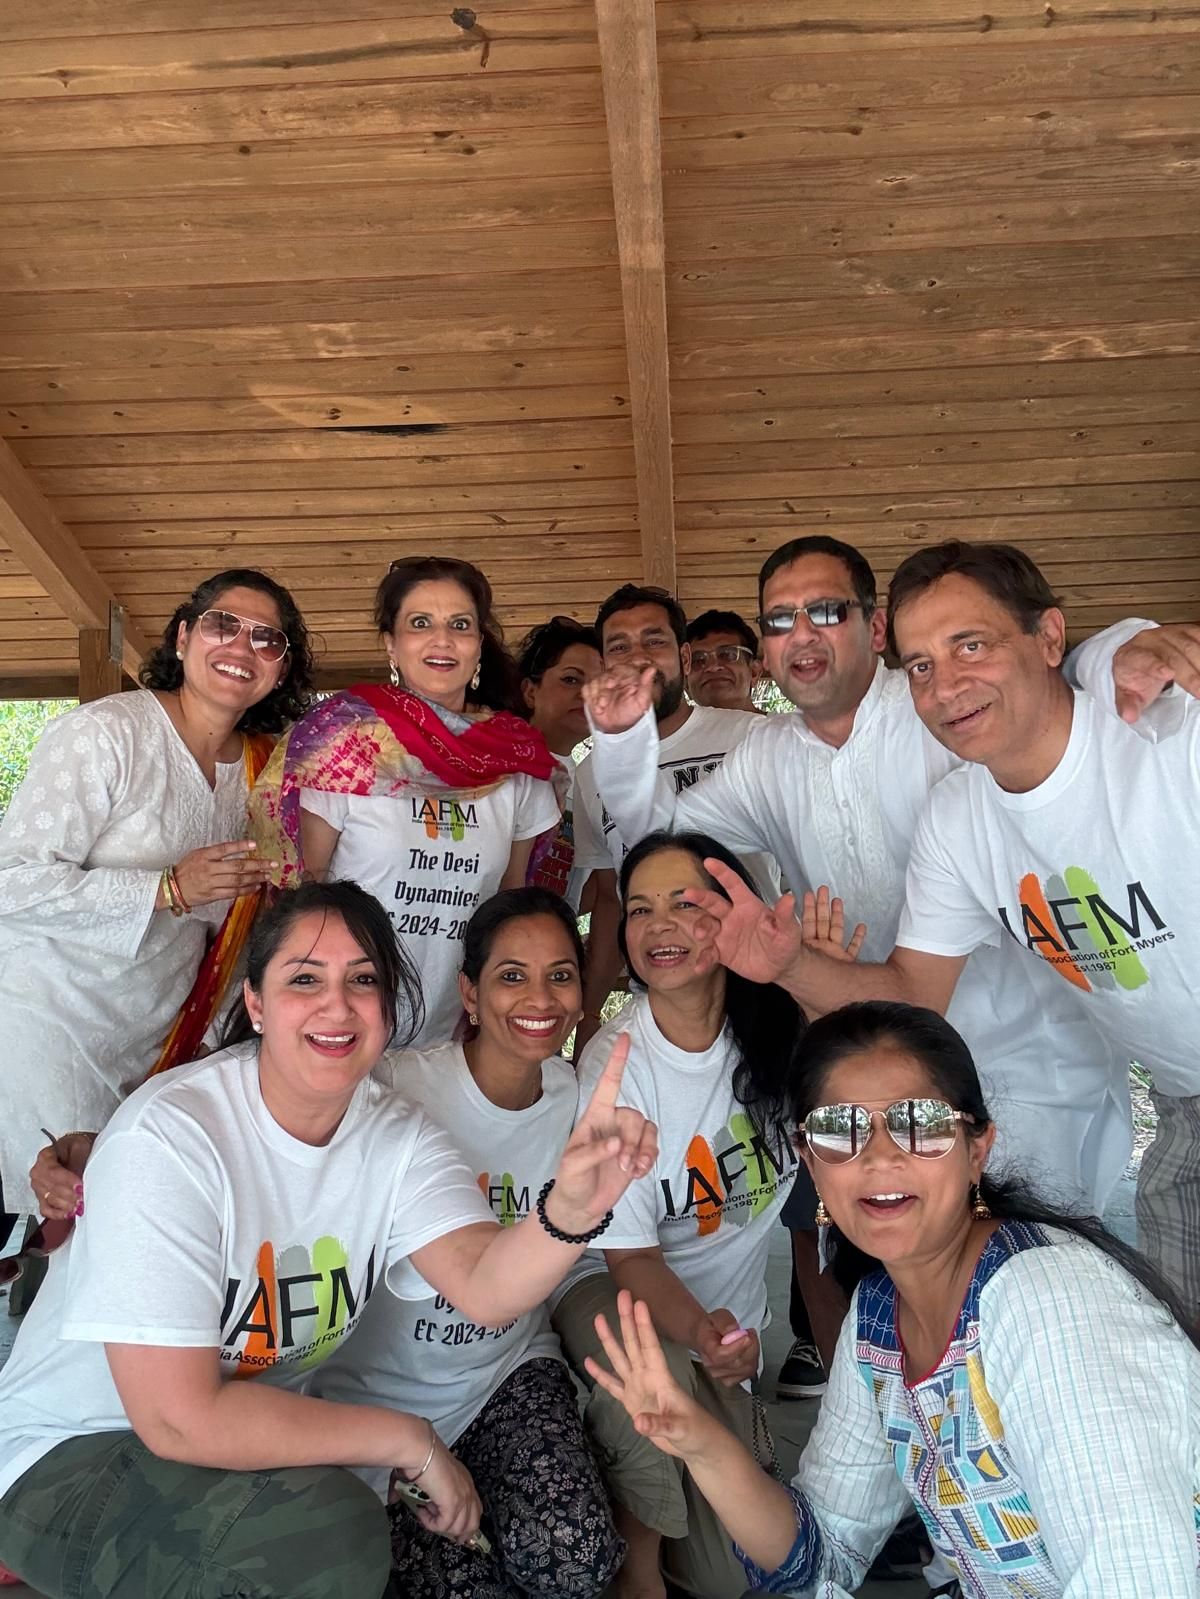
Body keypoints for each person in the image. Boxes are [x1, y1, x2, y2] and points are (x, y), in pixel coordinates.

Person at [0, 880, 656, 1599]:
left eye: (363, 980)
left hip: (230, 1452)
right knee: (333, 1537)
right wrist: (407, 1438)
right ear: (254, 1003)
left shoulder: (394, 1135)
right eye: (304, 979)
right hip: (73, 1452)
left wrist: (568, 1210)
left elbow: (484, 1283)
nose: (337, 1005)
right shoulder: (176, 1137)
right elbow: (178, 1418)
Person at [581, 537, 1150, 1231]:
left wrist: (1124, 641)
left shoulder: (942, 708)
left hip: (1031, 1061)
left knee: (1033, 1267)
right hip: (881, 1065)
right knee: (910, 1279)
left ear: (875, 628)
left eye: (826, 610)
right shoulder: (768, 755)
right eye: (781, 619)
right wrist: (617, 744)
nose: (803, 634)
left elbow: (1050, 686)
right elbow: (656, 841)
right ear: (765, 648)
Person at [706, 541, 1200, 1309]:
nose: (947, 685)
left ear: (1049, 639)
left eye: (971, 644)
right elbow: (913, 989)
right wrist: (787, 964)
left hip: (1054, 1084)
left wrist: (1112, 647)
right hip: (1178, 1101)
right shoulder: (960, 818)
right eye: (925, 665)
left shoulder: (1167, 737)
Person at [586, 1002, 1200, 1598]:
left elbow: (1142, 1575)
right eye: (837, 1129)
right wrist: (701, 1440)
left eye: (922, 1124)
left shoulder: (1053, 1306)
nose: (879, 1155)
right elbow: (822, 1552)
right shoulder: (878, 1320)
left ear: (976, 1149)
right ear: (810, 1163)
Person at [314, 886, 623, 1598]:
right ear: (471, 993)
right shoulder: (394, 1086)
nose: (538, 996)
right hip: (376, 1401)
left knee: (573, 1558)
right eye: (511, 974)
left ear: (581, 995)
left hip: (506, 1375)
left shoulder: (577, 1102)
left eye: (561, 974)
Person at [0, 566, 314, 1217]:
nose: (241, 647)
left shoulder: (264, 771)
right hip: (50, 1026)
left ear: (280, 670)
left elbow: (247, 923)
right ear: (181, 638)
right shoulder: (106, 735)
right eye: (223, 625)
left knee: (122, 1222)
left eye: (266, 639)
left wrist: (208, 1042)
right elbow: (13, 880)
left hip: (161, 1040)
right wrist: (166, 887)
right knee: (58, 1214)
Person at [557, 831, 800, 1599]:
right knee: (649, 1405)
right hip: (618, 1289)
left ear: (729, 914)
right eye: (639, 909)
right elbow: (631, 1260)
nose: (658, 925)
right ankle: (636, 1562)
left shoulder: (779, 1029)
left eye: (684, 904)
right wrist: (701, 1333)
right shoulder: (619, 1066)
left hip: (719, 1328)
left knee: (731, 1574)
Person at [249, 556, 561, 1046]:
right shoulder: (346, 745)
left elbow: (510, 910)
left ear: (480, 645)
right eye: (420, 624)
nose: (443, 640)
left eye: (460, 625)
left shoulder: (516, 761)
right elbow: (302, 895)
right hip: (341, 1026)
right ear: (392, 644)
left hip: (457, 1033)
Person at [572, 584, 781, 1059]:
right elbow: (610, 900)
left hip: (758, 990)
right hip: (662, 1002)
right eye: (619, 647)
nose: (637, 657)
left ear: (684, 658)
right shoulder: (591, 773)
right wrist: (589, 1015)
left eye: (654, 640)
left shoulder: (753, 736)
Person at [517, 615, 604, 905]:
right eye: (571, 679)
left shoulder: (590, 781)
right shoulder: (500, 766)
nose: (587, 694)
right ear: (531, 692)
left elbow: (584, 890)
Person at [684, 610, 764, 714]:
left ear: (754, 672)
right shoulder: (667, 730)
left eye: (727, 655)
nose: (712, 667)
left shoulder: (785, 729)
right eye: (698, 660)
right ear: (686, 684)